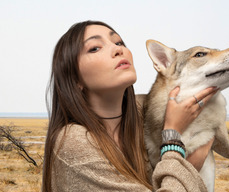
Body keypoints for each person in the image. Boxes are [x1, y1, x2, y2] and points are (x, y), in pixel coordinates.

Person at [42, 20, 218, 192]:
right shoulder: (72, 141)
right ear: (75, 79)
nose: (118, 49)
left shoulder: (146, 110)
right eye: (95, 48)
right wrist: (173, 135)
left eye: (118, 42)